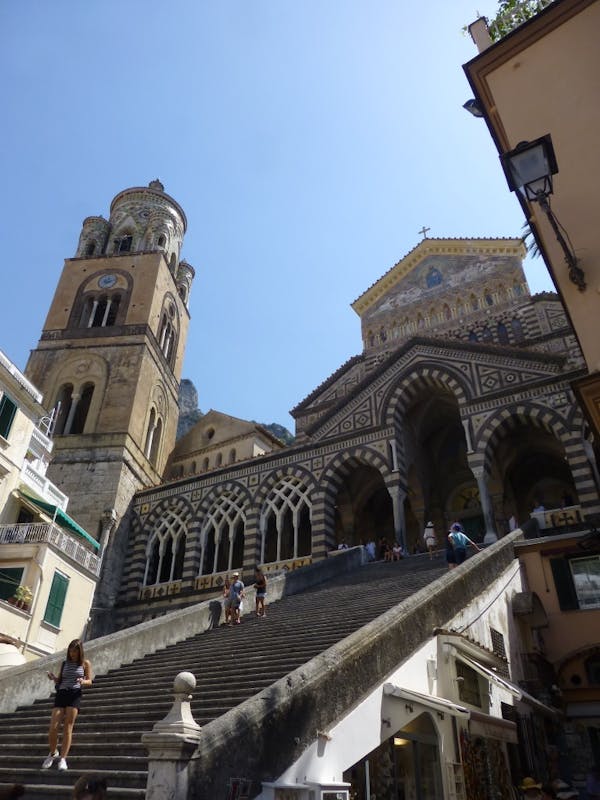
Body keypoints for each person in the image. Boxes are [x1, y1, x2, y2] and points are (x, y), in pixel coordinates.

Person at [42, 638, 92, 771]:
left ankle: (63, 759)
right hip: (62, 694)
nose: (72, 653)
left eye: (75, 651)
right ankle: (53, 753)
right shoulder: (65, 663)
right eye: (70, 651)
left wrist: (83, 681)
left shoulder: (85, 663)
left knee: (68, 727)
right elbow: (60, 680)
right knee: (53, 727)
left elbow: (90, 681)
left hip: (74, 694)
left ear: (80, 651)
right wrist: (53, 677)